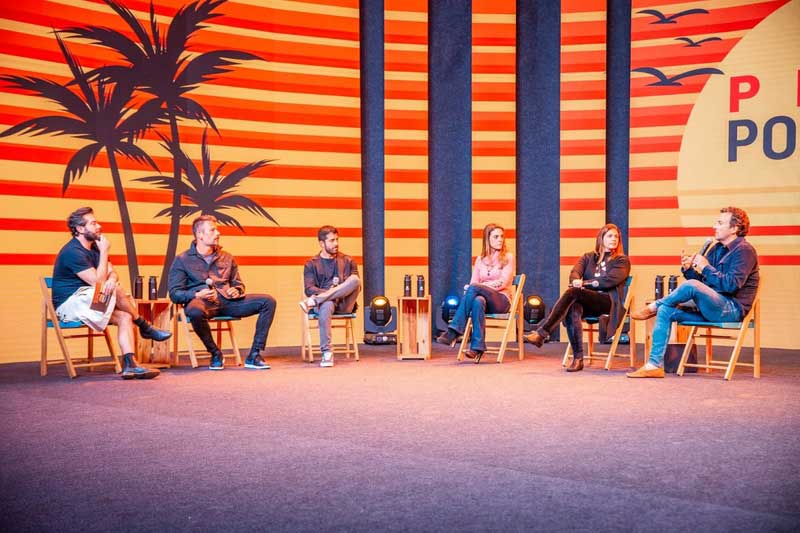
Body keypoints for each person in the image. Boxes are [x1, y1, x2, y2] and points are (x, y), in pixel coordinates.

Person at [628, 206, 759, 378]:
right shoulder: (716, 249)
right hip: (709, 307)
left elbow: (730, 286)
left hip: (730, 309)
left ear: (734, 228)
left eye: (720, 223)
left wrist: (705, 267)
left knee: (689, 287)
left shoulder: (744, 251)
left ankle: (653, 306)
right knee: (666, 310)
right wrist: (689, 270)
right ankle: (654, 366)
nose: (714, 226)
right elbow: (703, 283)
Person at [52, 207, 171, 380]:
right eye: (93, 223)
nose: (99, 226)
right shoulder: (73, 252)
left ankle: (130, 364)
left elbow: (112, 273)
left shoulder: (95, 248)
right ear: (79, 229)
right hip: (70, 306)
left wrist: (112, 280)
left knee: (125, 316)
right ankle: (144, 326)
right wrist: (105, 253)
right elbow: (98, 282)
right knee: (116, 289)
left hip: (89, 301)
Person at [168, 215, 276, 370]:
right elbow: (174, 293)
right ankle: (215, 353)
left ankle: (254, 354)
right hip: (202, 302)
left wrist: (237, 290)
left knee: (268, 301)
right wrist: (197, 295)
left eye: (217, 230)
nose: (218, 233)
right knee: (194, 311)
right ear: (200, 235)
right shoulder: (182, 259)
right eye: (212, 230)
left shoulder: (227, 257)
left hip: (227, 301)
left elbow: (238, 283)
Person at [524, 223, 631, 373]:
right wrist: (575, 280)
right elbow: (575, 272)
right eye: (610, 236)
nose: (614, 239)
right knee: (573, 308)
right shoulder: (588, 257)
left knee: (573, 292)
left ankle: (542, 333)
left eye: (616, 237)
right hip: (589, 301)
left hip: (608, 302)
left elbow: (609, 281)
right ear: (601, 238)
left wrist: (584, 284)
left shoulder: (622, 260)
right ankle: (578, 359)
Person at [435, 223, 514, 363]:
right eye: (496, 237)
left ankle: (454, 330)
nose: (500, 240)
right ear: (487, 239)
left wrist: (481, 286)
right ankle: (477, 347)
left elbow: (503, 283)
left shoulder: (508, 257)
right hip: (485, 301)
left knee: (474, 289)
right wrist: (480, 286)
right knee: (477, 300)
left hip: (502, 300)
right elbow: (474, 283)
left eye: (502, 236)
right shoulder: (480, 260)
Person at [299, 225, 361, 368]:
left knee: (355, 280)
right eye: (332, 241)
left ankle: (314, 301)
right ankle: (327, 352)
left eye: (337, 240)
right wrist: (328, 293)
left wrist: (329, 294)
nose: (336, 243)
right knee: (327, 304)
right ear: (322, 243)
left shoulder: (348, 260)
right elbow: (309, 289)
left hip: (345, 303)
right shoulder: (311, 264)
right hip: (326, 305)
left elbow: (354, 286)